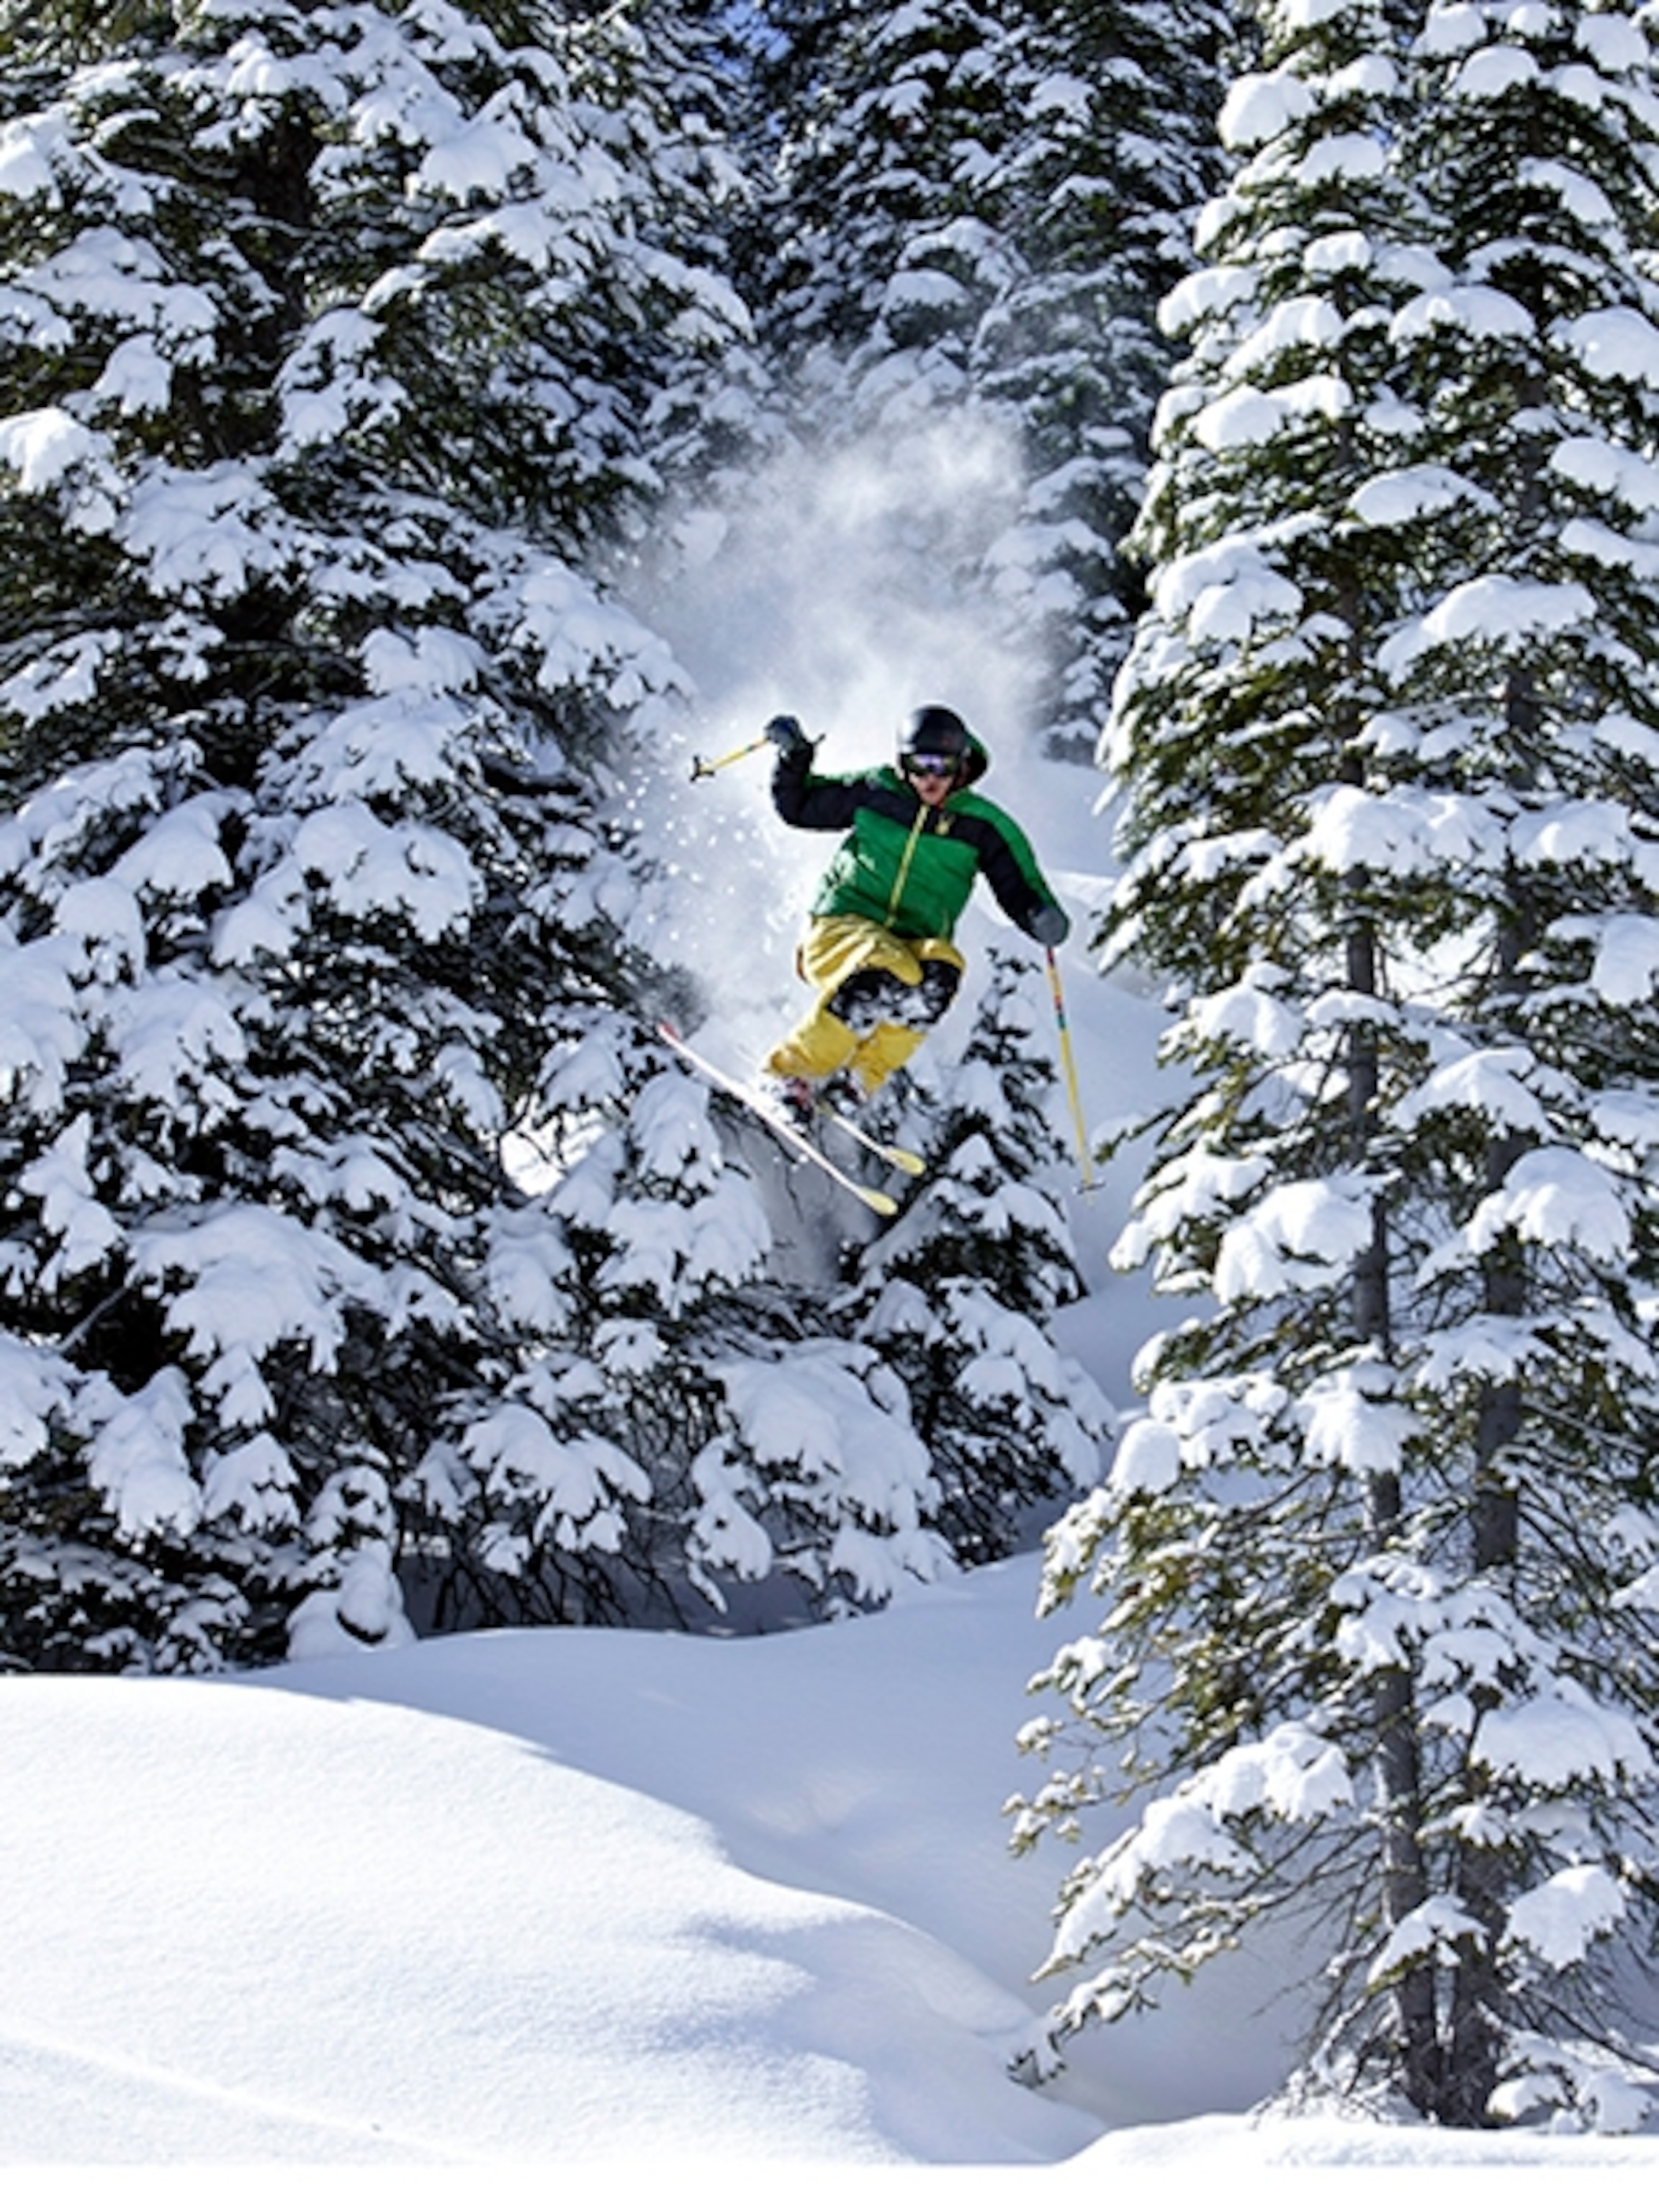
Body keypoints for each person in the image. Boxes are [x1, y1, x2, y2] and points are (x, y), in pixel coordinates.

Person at [759, 703, 1069, 1124]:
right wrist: (794, 758)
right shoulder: (877, 791)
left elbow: (1017, 882)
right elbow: (801, 806)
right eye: (920, 765)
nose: (931, 779)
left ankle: (860, 1079)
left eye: (942, 767)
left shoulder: (981, 825)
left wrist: (1039, 914)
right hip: (842, 924)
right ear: (903, 762)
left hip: (911, 942)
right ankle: (789, 1073)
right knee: (883, 970)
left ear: (961, 766)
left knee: (940, 972)